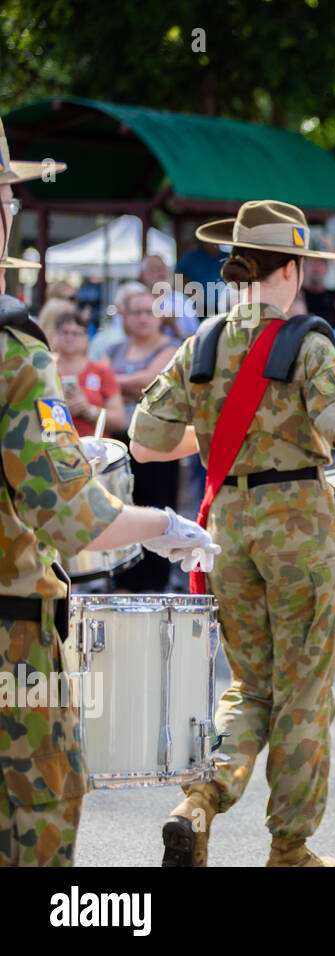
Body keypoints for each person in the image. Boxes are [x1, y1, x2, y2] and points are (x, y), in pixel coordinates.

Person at [128, 199, 335, 867]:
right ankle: (289, 847)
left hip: (228, 529)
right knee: (304, 689)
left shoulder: (204, 342)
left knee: (249, 685)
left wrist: (225, 437)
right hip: (297, 527)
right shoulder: (307, 341)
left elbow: (145, 443)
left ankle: (199, 799)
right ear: (294, 268)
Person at [1, 125, 218, 867]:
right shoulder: (12, 345)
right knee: (38, 816)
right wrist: (160, 522)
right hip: (12, 644)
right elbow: (74, 520)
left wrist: (65, 453)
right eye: (6, 192)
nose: (11, 208)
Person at [107, 288, 182, 592]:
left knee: (155, 507)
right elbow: (102, 380)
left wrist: (112, 385)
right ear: (124, 316)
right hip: (119, 440)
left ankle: (154, 583)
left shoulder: (173, 347)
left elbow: (149, 382)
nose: (142, 318)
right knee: (121, 505)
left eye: (148, 311)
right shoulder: (114, 350)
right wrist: (125, 386)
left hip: (158, 442)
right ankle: (122, 578)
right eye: (135, 312)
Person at [51, 311, 127, 436]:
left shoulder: (101, 371)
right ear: (55, 336)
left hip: (92, 449)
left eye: (76, 333)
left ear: (86, 338)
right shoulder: (45, 369)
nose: (69, 338)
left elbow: (119, 421)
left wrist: (89, 410)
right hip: (54, 446)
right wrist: (61, 410)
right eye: (64, 332)